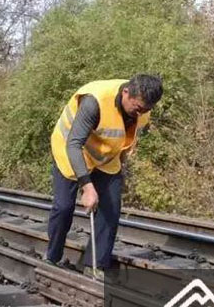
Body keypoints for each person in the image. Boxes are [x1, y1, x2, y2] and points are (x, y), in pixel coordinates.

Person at [45, 75, 163, 279]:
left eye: (145, 110)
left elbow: (125, 139)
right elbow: (74, 143)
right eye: (138, 108)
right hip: (70, 150)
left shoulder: (143, 110)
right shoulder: (95, 101)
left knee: (111, 207)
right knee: (64, 207)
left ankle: (95, 265)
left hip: (105, 157)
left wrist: (120, 172)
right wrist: (88, 187)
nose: (141, 113)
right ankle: (52, 257)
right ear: (126, 93)